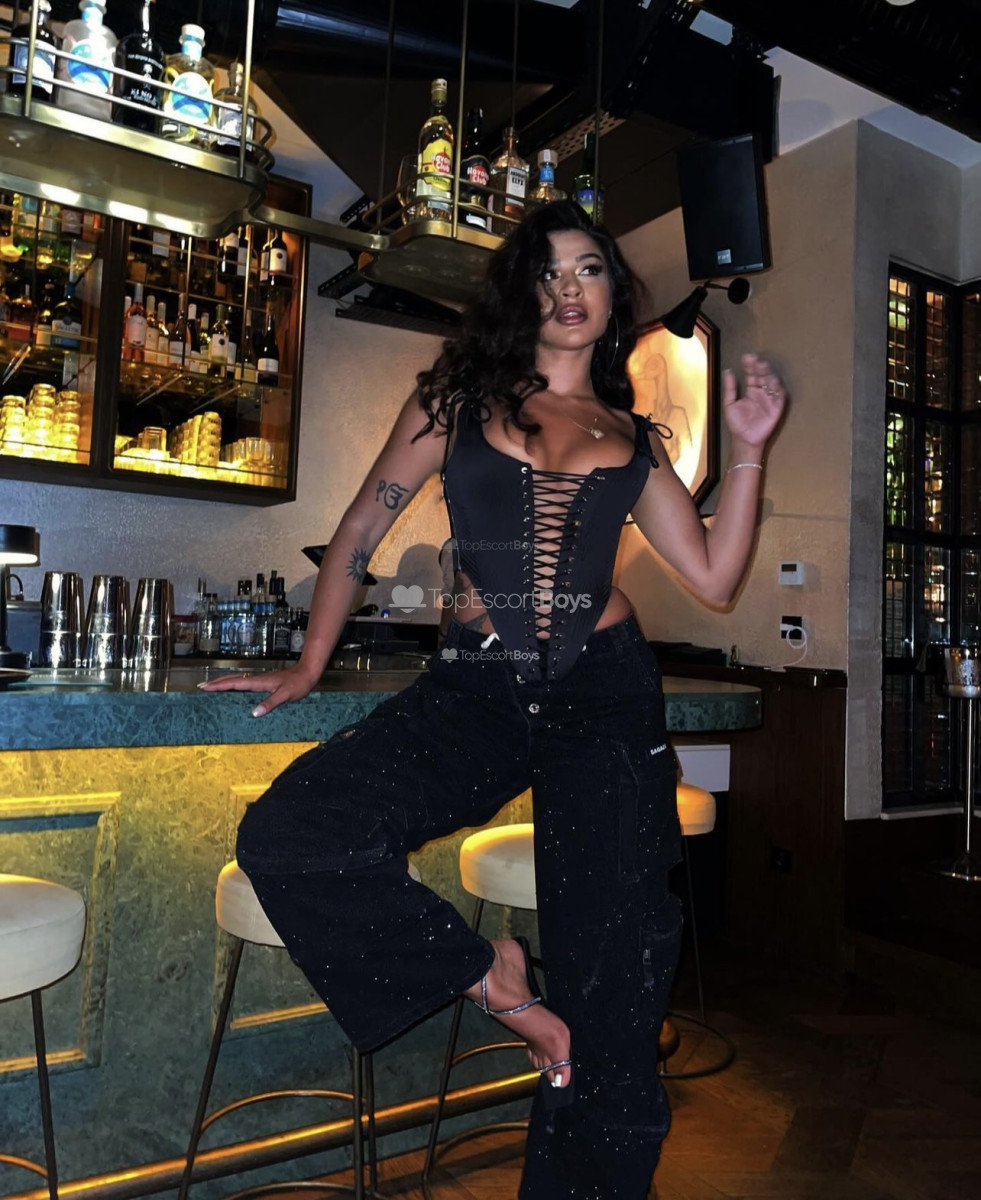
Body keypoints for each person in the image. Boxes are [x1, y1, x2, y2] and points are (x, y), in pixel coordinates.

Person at [200, 199, 785, 1198]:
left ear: (613, 296)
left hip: (604, 698)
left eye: (588, 269)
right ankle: (493, 978)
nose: (568, 288)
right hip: (473, 690)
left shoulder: (634, 439)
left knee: (614, 986)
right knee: (295, 829)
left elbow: (714, 578)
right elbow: (357, 533)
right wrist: (308, 664)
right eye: (547, 271)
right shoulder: (455, 401)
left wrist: (753, 446)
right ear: (521, 291)